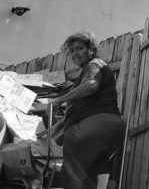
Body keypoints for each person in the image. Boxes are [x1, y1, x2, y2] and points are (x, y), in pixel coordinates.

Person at [40, 31, 125, 189]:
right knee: (90, 178)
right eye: (72, 51)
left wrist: (58, 100)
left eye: (79, 48)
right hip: (107, 128)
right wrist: (49, 132)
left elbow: (91, 85)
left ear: (91, 50)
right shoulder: (84, 76)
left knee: (73, 176)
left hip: (94, 126)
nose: (75, 54)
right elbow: (73, 114)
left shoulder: (94, 64)